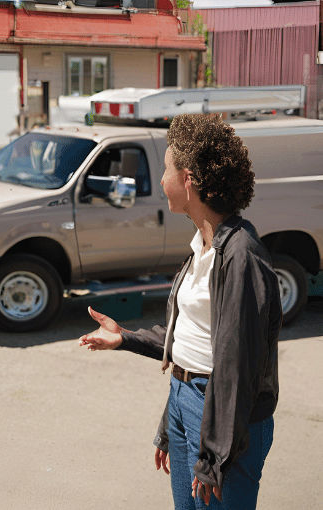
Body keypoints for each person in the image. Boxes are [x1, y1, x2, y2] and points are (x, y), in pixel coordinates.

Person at [79, 114, 281, 509]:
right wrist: (126, 339)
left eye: (168, 168)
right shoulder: (202, 247)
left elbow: (237, 368)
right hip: (186, 400)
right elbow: (190, 338)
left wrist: (213, 456)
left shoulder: (241, 257)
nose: (161, 180)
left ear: (188, 180)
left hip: (224, 421)